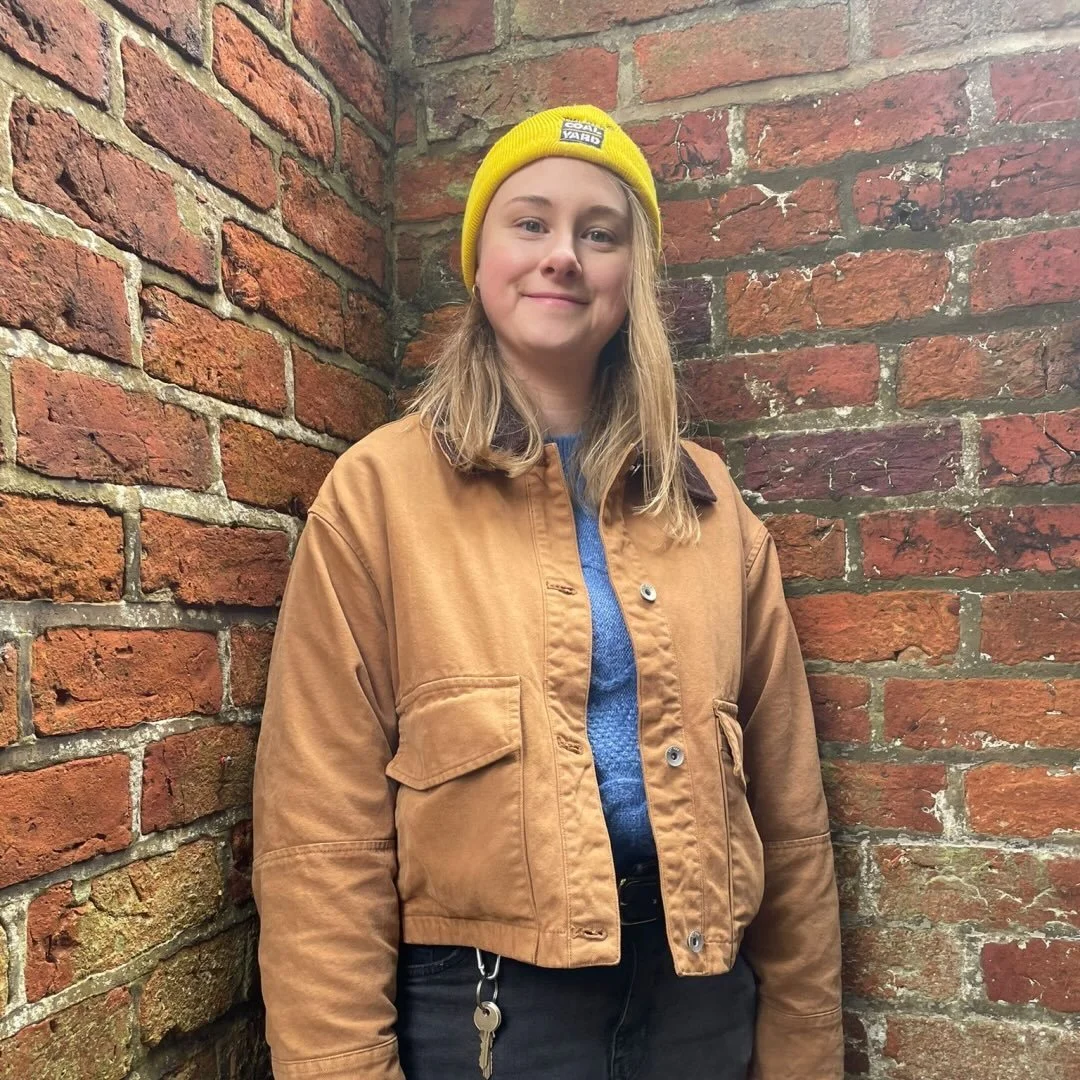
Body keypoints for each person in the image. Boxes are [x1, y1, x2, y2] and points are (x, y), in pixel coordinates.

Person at [251, 104, 843, 1080]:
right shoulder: (378, 495)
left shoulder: (708, 503)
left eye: (598, 233)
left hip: (701, 998)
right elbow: (319, 835)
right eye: (530, 222)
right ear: (480, 260)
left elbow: (790, 812)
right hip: (488, 1014)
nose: (562, 255)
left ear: (632, 275)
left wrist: (804, 1055)